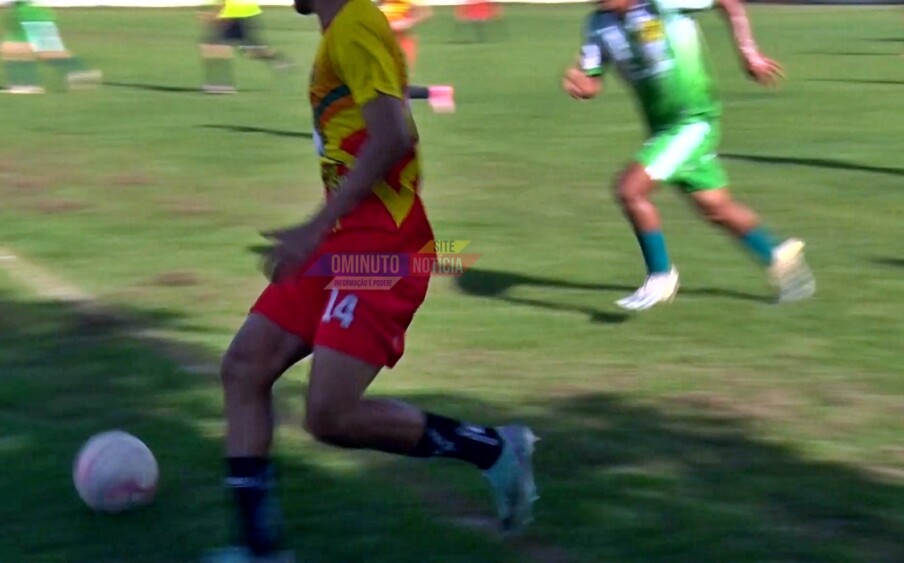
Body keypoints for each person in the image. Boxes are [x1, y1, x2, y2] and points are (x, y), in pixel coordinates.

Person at [202, 0, 537, 560]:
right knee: (244, 366)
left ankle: (494, 449)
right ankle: (259, 551)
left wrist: (313, 227)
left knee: (330, 416)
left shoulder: (355, 23)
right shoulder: (343, 29)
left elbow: (393, 137)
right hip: (343, 245)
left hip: (385, 249)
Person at [563, 0, 815, 310]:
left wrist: (749, 53)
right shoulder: (598, 24)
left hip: (693, 120)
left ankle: (660, 274)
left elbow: (728, 3)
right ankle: (776, 254)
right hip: (662, 127)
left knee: (630, 189)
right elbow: (592, 80)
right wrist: (581, 84)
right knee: (714, 206)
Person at [0, 0, 101, 94]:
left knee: (19, 46)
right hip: (25, 9)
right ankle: (81, 73)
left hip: (29, 10)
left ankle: (25, 84)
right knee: (40, 48)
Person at [377, 0, 455, 113]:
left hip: (401, 42)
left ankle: (433, 94)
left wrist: (406, 22)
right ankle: (434, 93)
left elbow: (425, 13)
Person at [200, 0, 293, 94]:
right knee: (250, 51)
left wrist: (215, 14)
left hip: (232, 13)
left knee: (214, 46)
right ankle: (277, 58)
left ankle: (221, 84)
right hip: (244, 12)